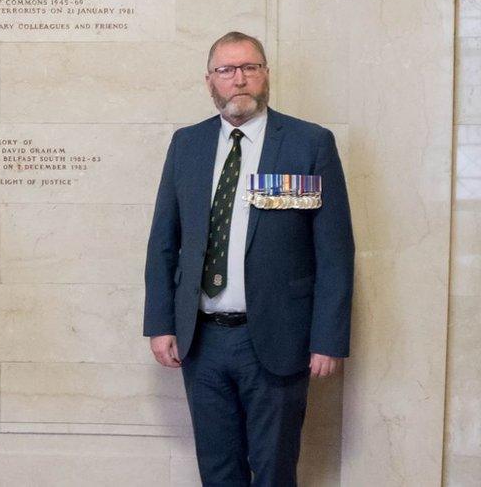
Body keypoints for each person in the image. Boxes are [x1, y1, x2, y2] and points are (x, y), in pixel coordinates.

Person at [143, 31, 354, 486]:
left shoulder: (308, 143)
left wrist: (328, 339)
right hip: (203, 342)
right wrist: (161, 323)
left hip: (280, 340)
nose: (238, 80)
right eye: (226, 70)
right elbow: (163, 241)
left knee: (275, 466)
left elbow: (335, 252)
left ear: (265, 75)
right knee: (218, 468)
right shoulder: (187, 144)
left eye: (249, 68)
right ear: (210, 82)